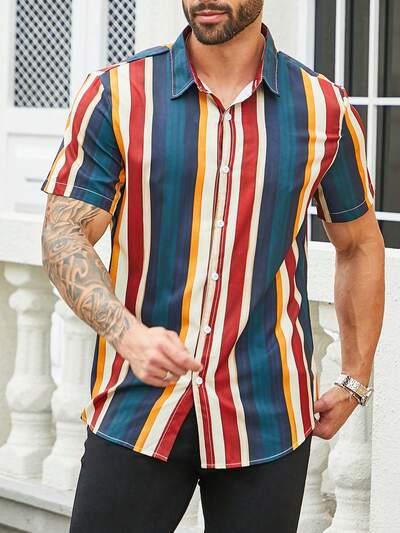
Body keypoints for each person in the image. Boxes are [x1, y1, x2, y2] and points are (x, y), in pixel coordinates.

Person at [40, 1, 385, 532]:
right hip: (136, 406)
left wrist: (356, 377)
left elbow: (359, 244)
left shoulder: (324, 108)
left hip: (268, 413)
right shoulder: (116, 93)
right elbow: (64, 234)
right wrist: (127, 334)